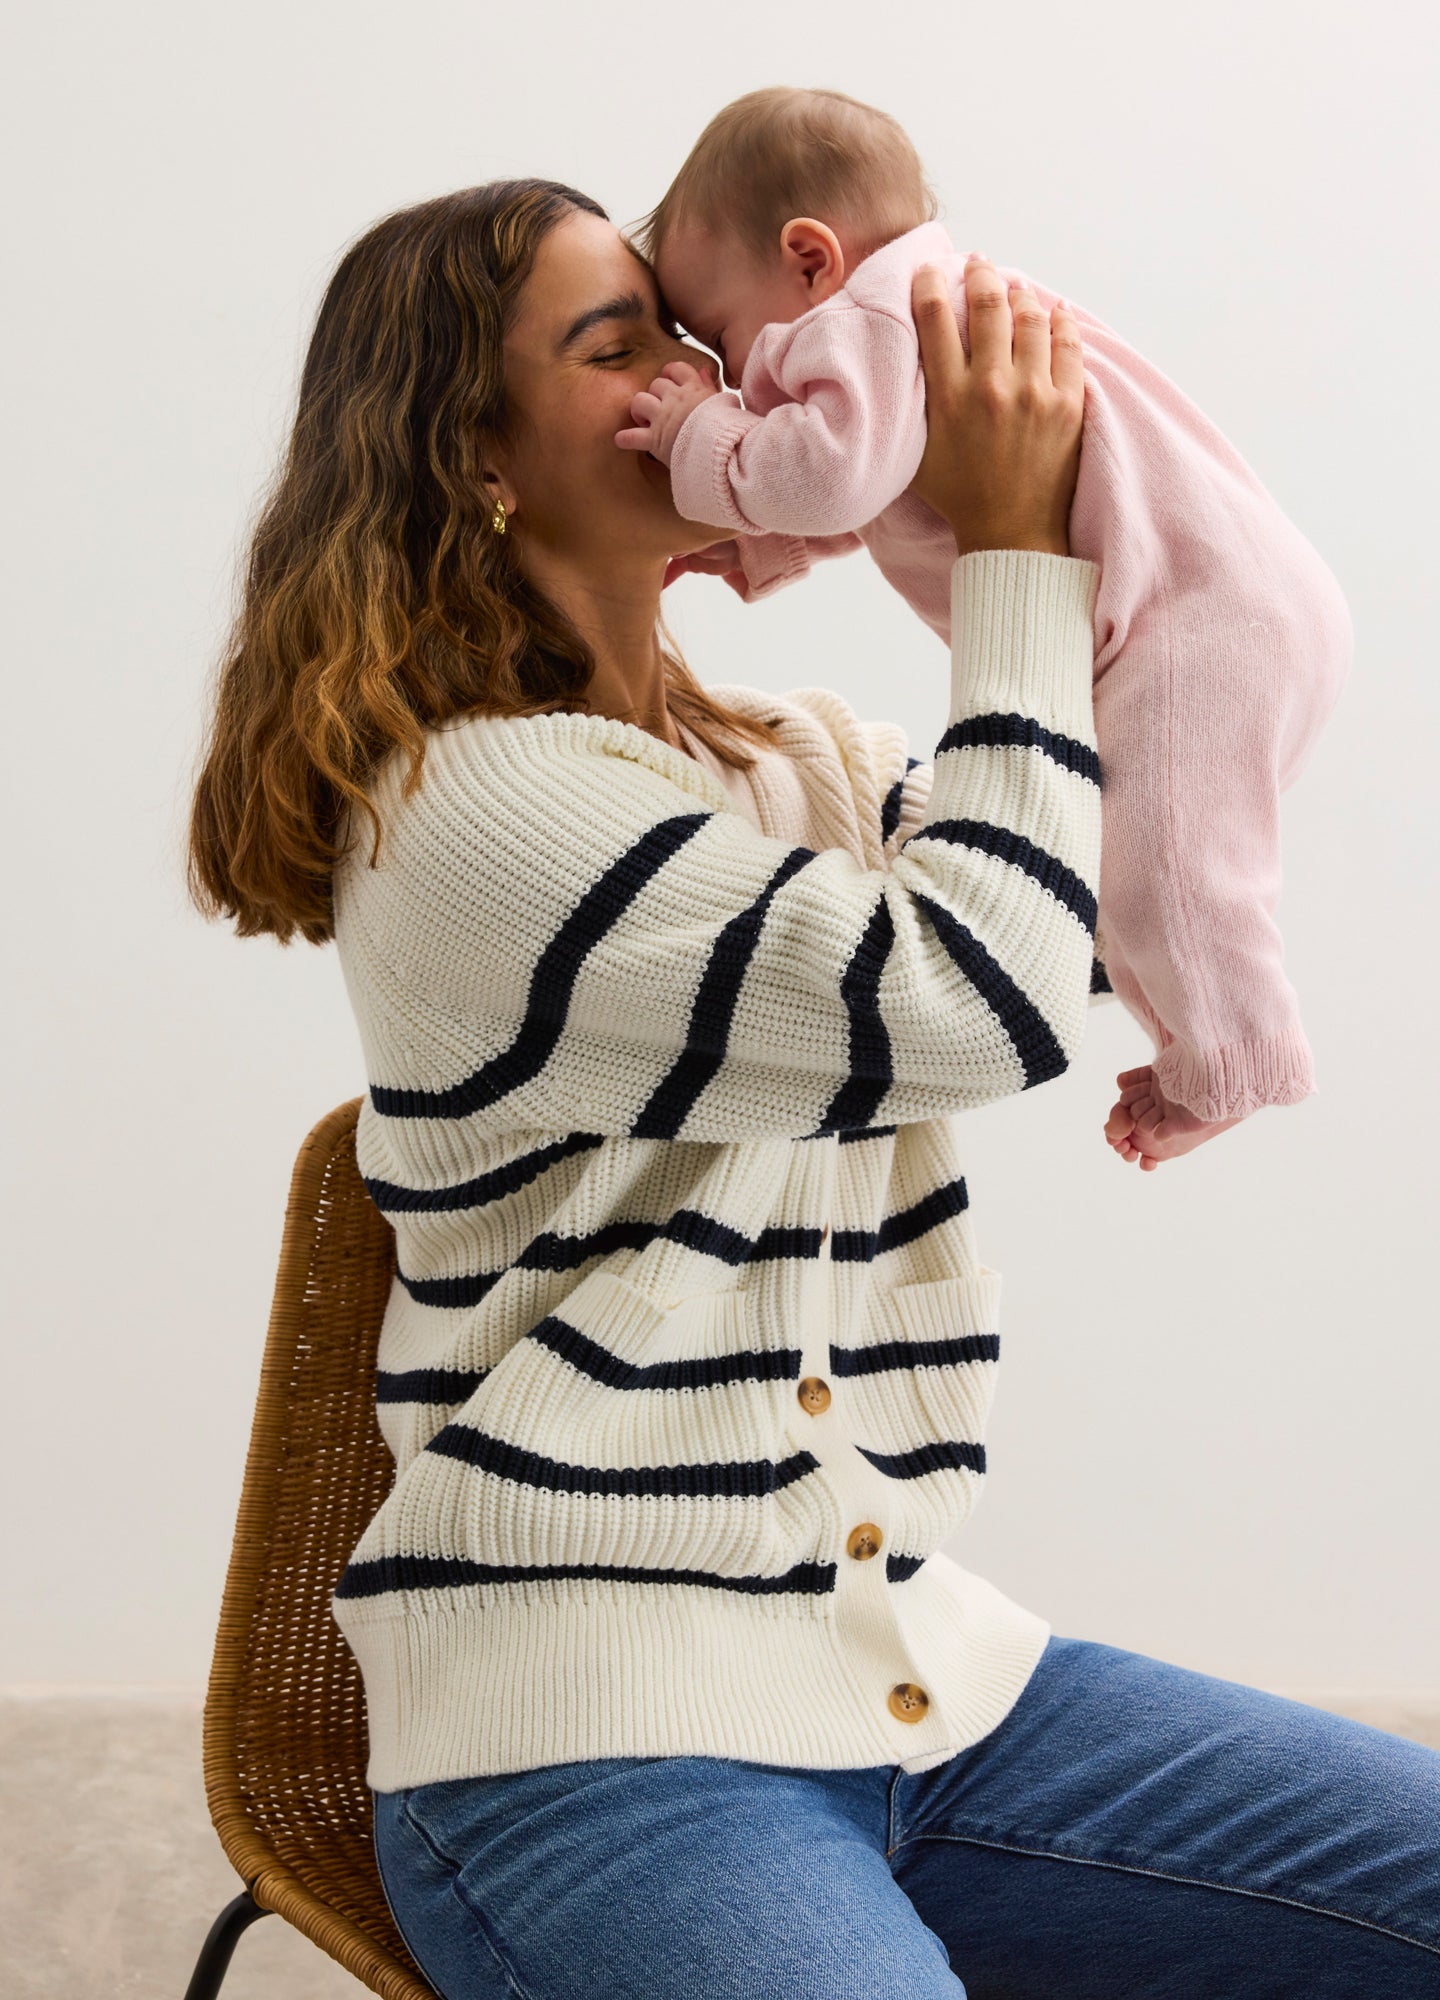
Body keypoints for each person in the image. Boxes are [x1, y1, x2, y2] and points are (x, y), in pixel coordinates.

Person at [186, 180, 1438, 1999]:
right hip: (594, 1747)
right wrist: (1014, 562)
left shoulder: (793, 758)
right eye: (617, 345)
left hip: (925, 1681)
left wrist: (1119, 508)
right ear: (476, 459)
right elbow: (977, 995)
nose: (700, 375)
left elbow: (1086, 911)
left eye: (689, 338)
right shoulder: (472, 809)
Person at [621, 87, 1353, 1172]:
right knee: (1126, 858)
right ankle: (1201, 1036)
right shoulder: (918, 317)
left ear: (810, 259)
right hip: (1219, 607)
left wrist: (699, 436)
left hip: (1192, 621)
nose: (730, 372)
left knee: (1170, 870)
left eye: (724, 331)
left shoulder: (870, 318)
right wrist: (750, 545)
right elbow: (875, 492)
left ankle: (1234, 1054)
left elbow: (829, 478)